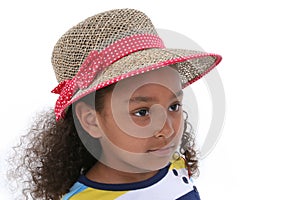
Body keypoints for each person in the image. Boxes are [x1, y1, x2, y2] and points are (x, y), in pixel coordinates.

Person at [9, 8, 222, 200]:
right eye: (142, 112)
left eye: (174, 106)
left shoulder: (175, 165)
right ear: (91, 120)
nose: (167, 130)